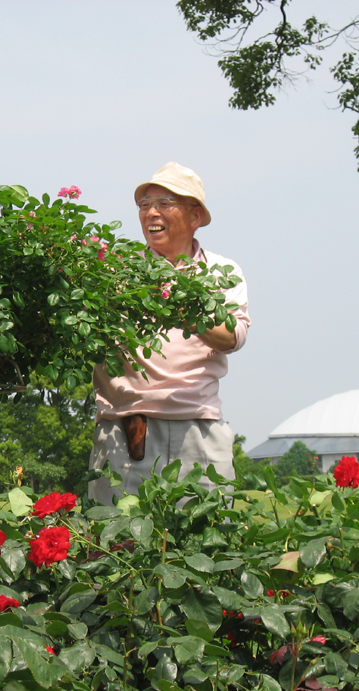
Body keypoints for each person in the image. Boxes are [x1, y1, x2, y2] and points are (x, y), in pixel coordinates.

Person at [88, 162, 250, 503]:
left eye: (164, 203)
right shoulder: (116, 271)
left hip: (199, 428)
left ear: (195, 216)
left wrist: (183, 304)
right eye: (144, 205)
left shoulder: (222, 272)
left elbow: (233, 336)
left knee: (209, 542)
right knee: (117, 543)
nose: (151, 213)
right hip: (127, 431)